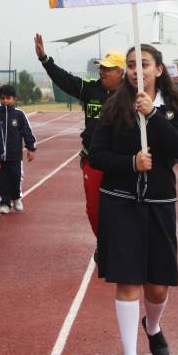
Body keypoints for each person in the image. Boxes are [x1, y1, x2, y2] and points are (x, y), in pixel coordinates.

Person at [89, 43, 178, 355]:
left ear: (158, 70)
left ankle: (153, 325)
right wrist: (131, 163)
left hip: (159, 203)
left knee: (157, 287)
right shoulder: (114, 107)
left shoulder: (173, 106)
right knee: (128, 279)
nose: (136, 71)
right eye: (131, 65)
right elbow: (96, 155)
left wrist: (153, 115)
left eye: (143, 64)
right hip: (120, 203)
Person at [35, 33, 123, 237]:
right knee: (93, 209)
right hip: (93, 159)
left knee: (120, 208)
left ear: (120, 72)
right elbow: (65, 80)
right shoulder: (91, 89)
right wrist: (45, 59)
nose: (101, 72)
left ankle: (117, 244)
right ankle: (102, 243)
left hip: (120, 162)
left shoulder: (132, 94)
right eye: (101, 67)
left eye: (107, 69)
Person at [0, 85, 36, 214]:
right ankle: (5, 202)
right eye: (2, 98)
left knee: (15, 177)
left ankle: (16, 198)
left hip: (15, 155)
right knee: (1, 180)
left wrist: (31, 148)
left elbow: (27, 132)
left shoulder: (19, 114)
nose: (5, 101)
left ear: (14, 99)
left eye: (8, 98)